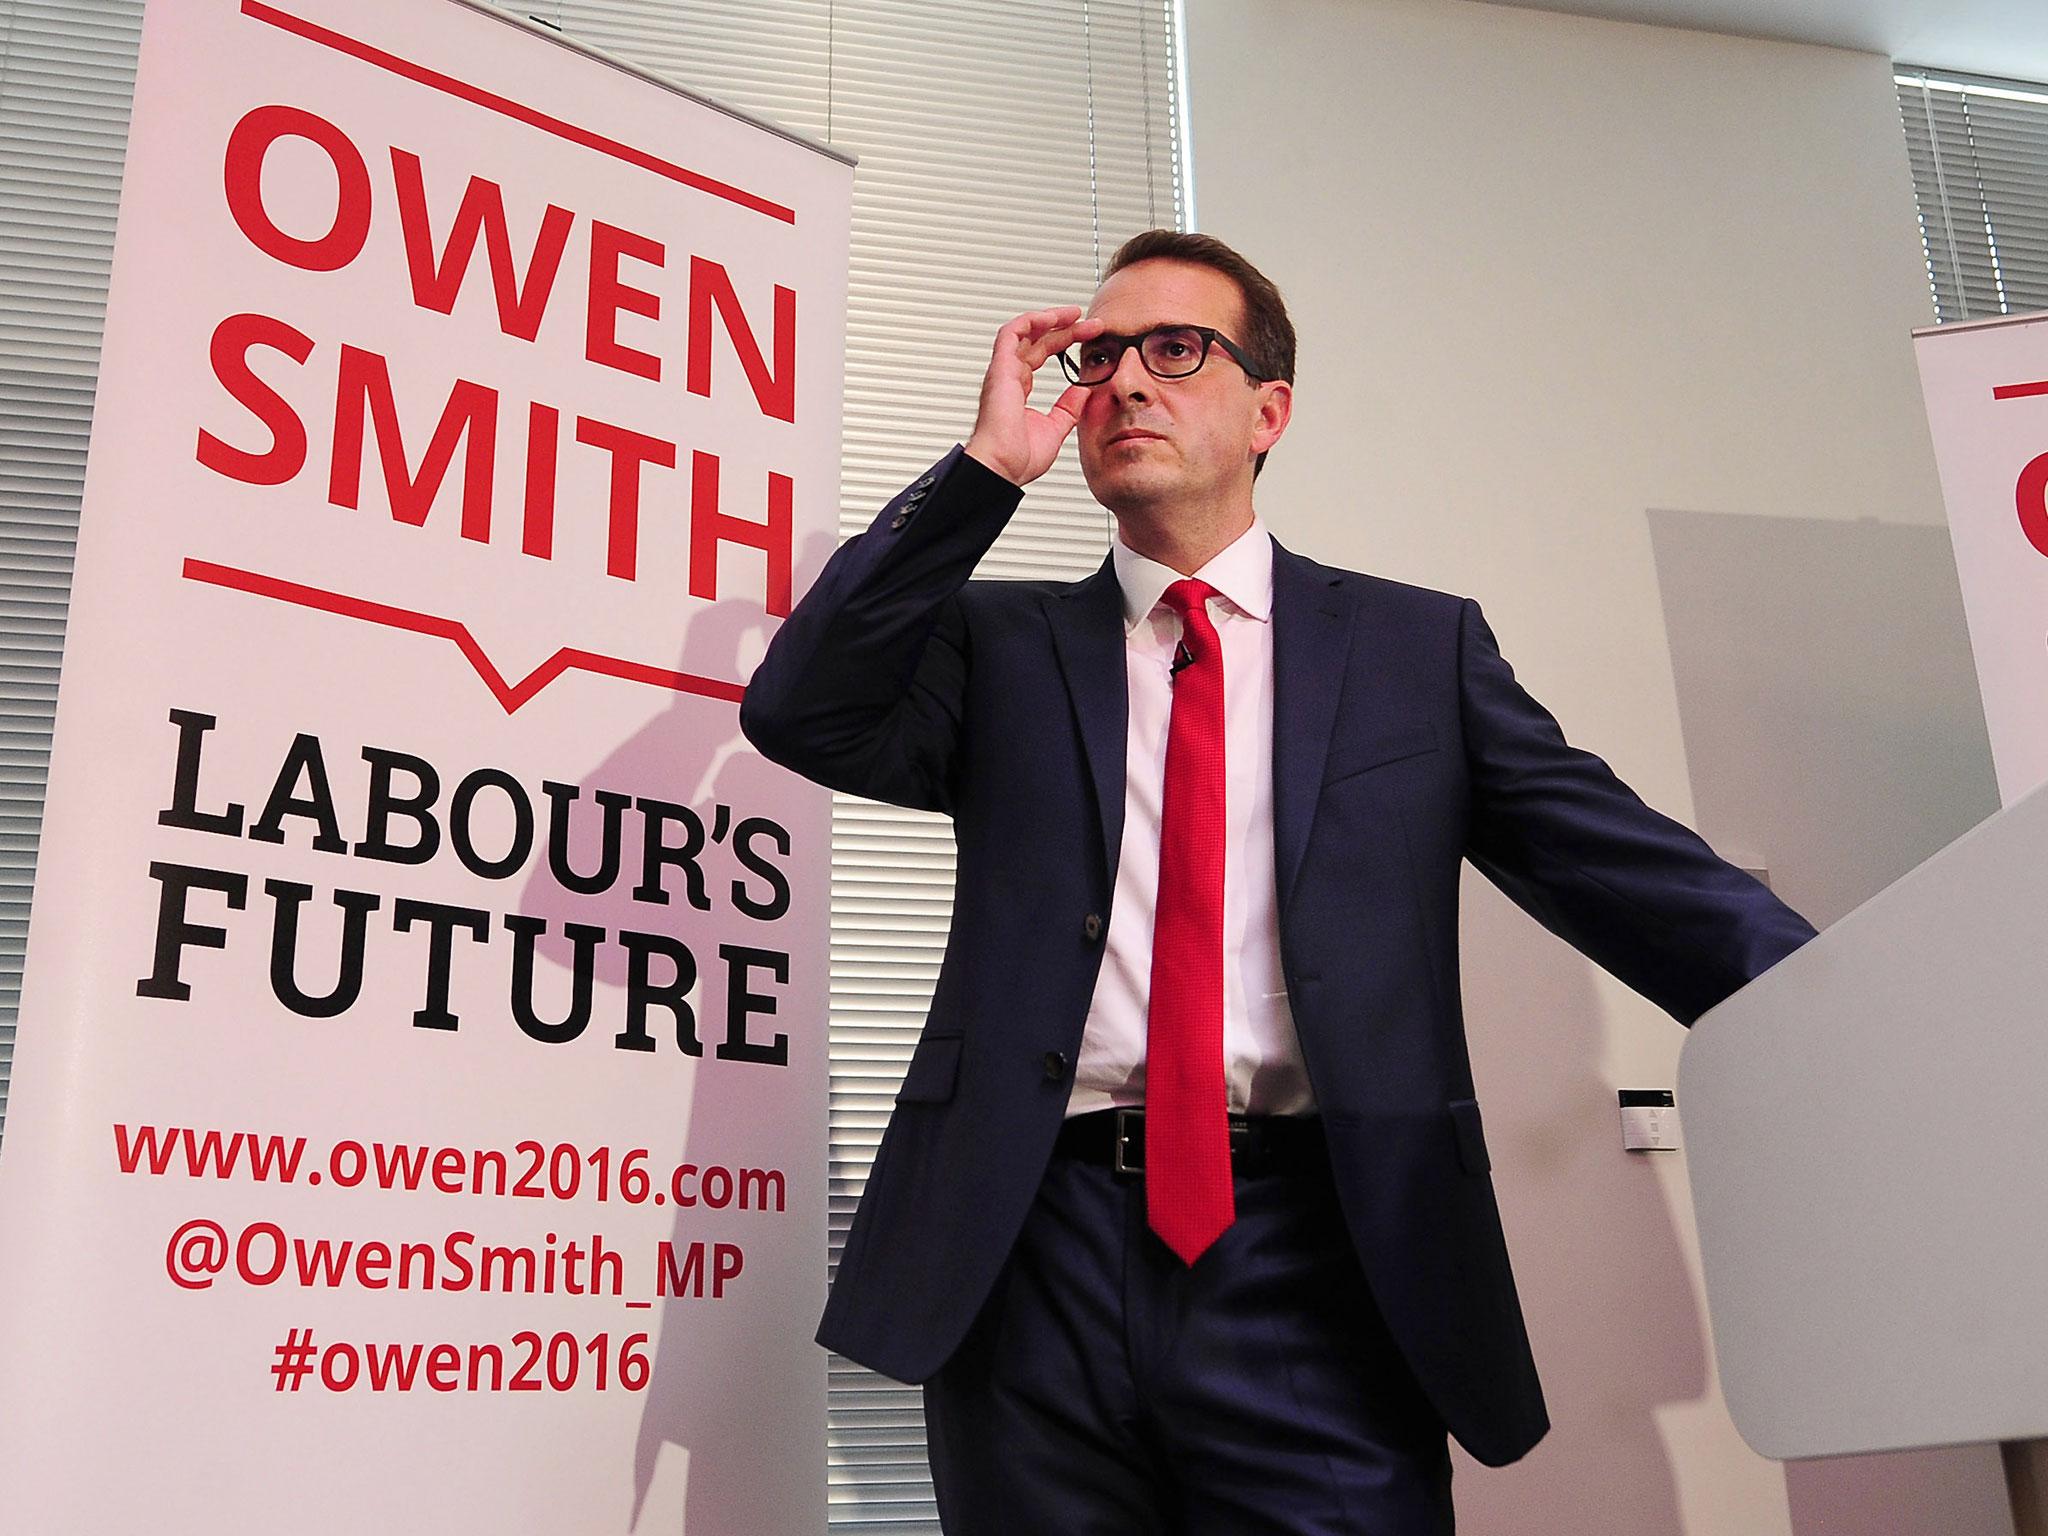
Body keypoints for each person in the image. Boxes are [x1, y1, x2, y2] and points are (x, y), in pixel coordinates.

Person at [739, 230, 1816, 1534]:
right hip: (1032, 1253)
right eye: (1100, 355)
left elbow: (1616, 865)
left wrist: (1851, 1006)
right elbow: (804, 712)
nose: (1127, 381)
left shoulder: (1415, 652)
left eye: (1176, 349)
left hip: (1321, 1252)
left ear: (1270, 411)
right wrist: (982, 474)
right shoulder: (997, 648)